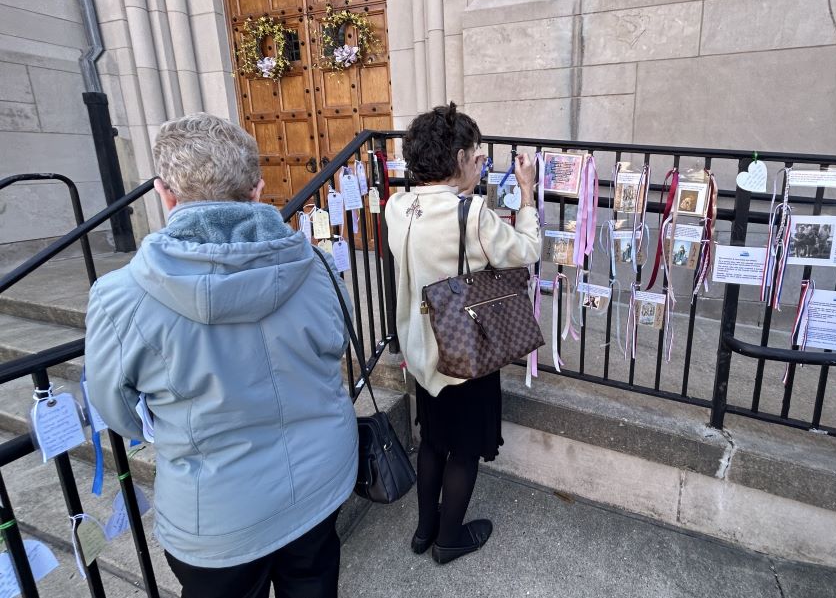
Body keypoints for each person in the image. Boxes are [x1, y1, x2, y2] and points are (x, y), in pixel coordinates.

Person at [85, 113, 358, 598]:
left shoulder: (118, 297)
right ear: (256, 191)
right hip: (319, 482)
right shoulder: (316, 266)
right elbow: (337, 344)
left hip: (214, 514)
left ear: (164, 194)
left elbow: (118, 412)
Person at [385, 103, 541, 565]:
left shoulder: (398, 206)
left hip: (422, 348)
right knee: (464, 449)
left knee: (433, 440)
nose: (480, 162)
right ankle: (449, 539)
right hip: (464, 347)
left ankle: (423, 530)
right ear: (458, 158)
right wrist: (527, 193)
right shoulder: (472, 214)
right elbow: (527, 250)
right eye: (476, 155)